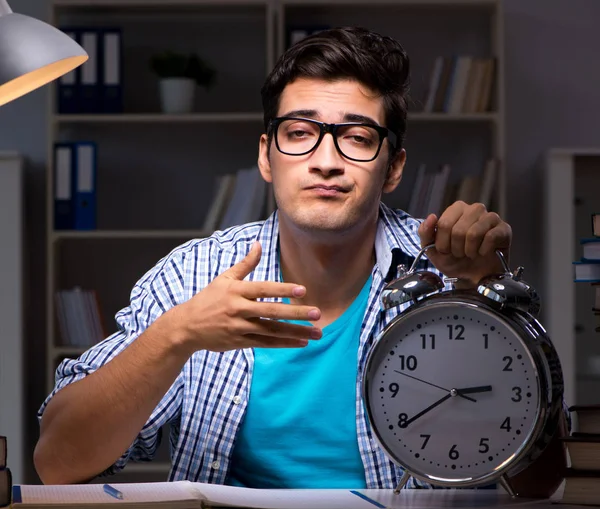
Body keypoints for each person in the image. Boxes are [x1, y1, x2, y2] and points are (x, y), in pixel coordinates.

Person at [34, 26, 567, 495]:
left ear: (394, 166)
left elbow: (540, 483)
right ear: (266, 155)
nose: (326, 161)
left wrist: (488, 299)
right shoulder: (192, 275)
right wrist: (177, 335)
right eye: (300, 133)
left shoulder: (449, 273)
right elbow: (57, 464)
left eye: (357, 137)